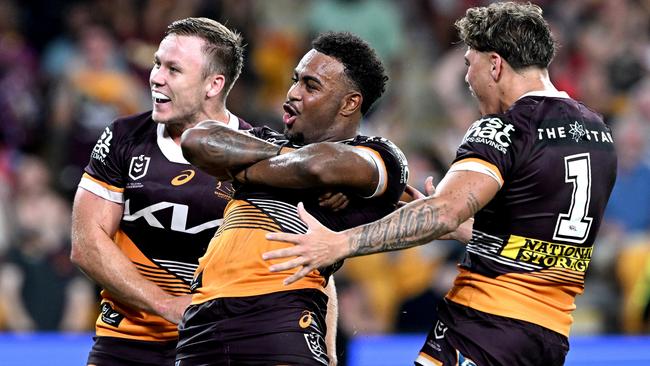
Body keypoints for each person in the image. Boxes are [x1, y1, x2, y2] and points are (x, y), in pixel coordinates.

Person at [263, 3, 618, 366]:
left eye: (469, 64)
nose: (467, 79)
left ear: (494, 64)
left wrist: (339, 243)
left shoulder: (503, 128)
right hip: (549, 336)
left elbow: (443, 212)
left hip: (486, 326)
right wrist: (470, 230)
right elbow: (546, 239)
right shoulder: (597, 131)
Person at [175, 31, 409, 365]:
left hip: (280, 318)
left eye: (311, 86)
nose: (292, 94)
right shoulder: (266, 137)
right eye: (295, 80)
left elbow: (318, 166)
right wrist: (286, 157)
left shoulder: (379, 155)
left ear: (349, 103)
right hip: (202, 323)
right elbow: (196, 140)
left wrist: (244, 169)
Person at [70, 18, 251, 366]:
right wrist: (167, 305)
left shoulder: (256, 153)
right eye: (157, 63)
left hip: (220, 346)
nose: (155, 77)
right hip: (126, 342)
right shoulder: (124, 137)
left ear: (213, 85)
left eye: (173, 69)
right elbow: (86, 244)